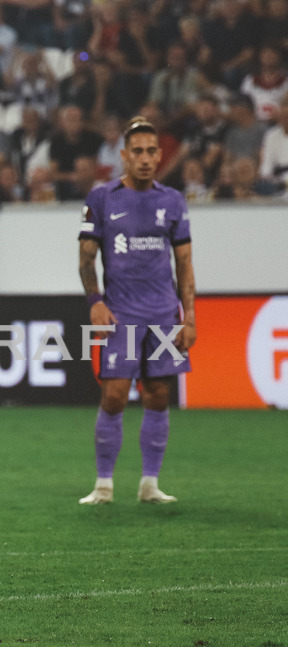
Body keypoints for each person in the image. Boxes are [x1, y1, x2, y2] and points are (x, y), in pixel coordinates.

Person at [77, 117, 196, 505]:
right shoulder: (101, 198)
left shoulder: (173, 201)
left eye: (151, 152)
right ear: (124, 156)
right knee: (113, 396)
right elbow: (85, 259)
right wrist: (95, 301)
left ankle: (149, 484)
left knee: (158, 395)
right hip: (121, 315)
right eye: (138, 152)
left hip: (163, 316)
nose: (145, 159)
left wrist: (189, 316)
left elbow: (184, 264)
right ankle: (103, 484)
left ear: (160, 155)